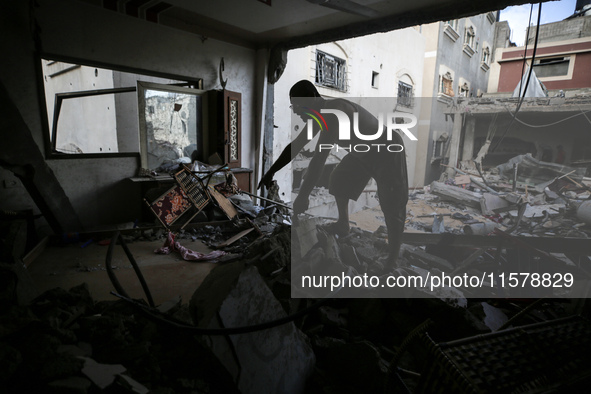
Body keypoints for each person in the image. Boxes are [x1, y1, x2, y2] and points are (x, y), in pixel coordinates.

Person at [259, 80, 408, 265]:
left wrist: (303, 196)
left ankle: (392, 260)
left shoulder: (333, 112)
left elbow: (318, 161)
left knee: (392, 203)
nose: (296, 111)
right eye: (293, 106)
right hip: (363, 153)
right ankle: (343, 225)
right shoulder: (319, 117)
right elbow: (296, 146)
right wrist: (270, 172)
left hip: (387, 149)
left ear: (312, 99)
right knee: (338, 179)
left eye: (297, 105)